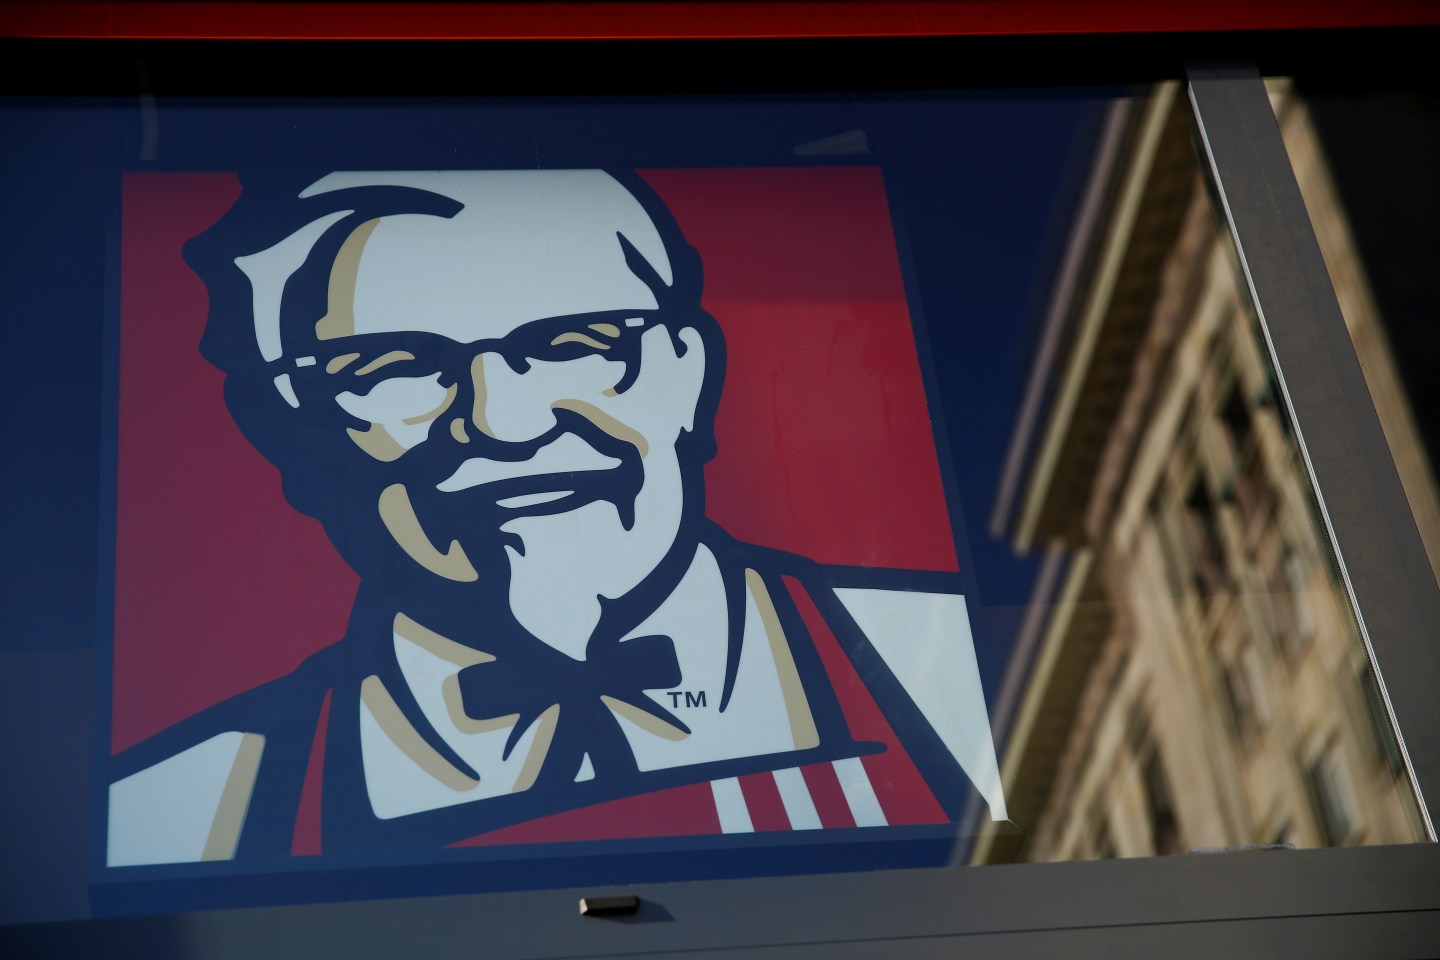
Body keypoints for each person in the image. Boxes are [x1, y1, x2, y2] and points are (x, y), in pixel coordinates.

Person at [106, 170, 1005, 867]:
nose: (505, 422)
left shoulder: (954, 684)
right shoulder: (192, 813)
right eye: (391, 369)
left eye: (575, 345)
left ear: (689, 375)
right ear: (289, 439)